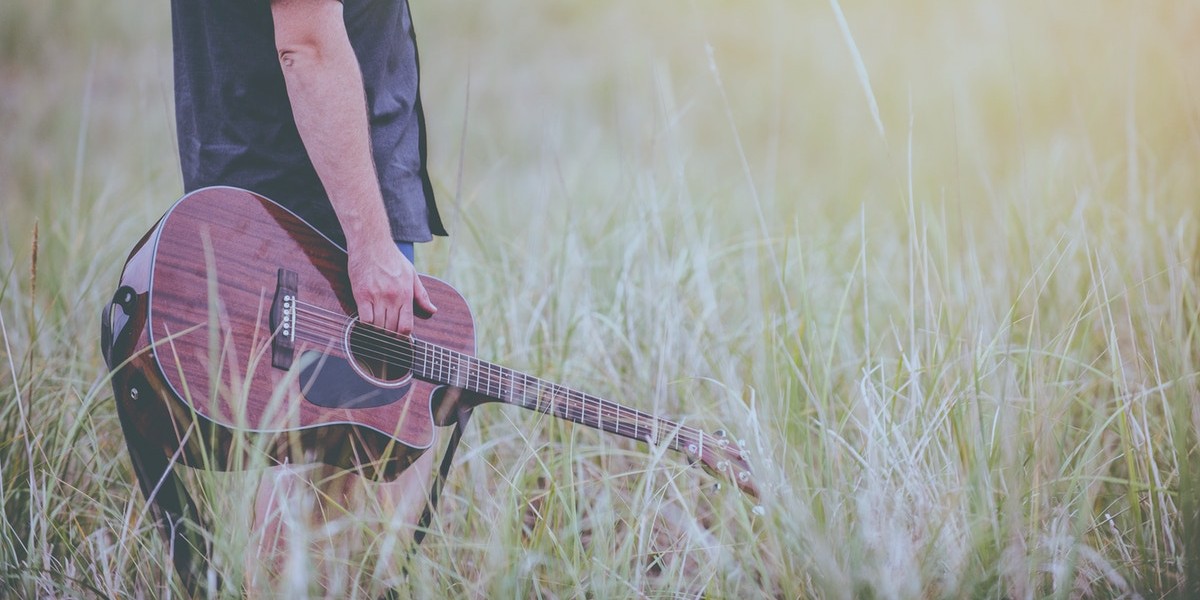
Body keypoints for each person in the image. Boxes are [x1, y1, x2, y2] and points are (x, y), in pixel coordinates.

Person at [168, 0, 446, 591]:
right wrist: (371, 242)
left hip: (293, 184)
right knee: (300, 458)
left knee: (333, 460)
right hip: (310, 200)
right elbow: (307, 43)